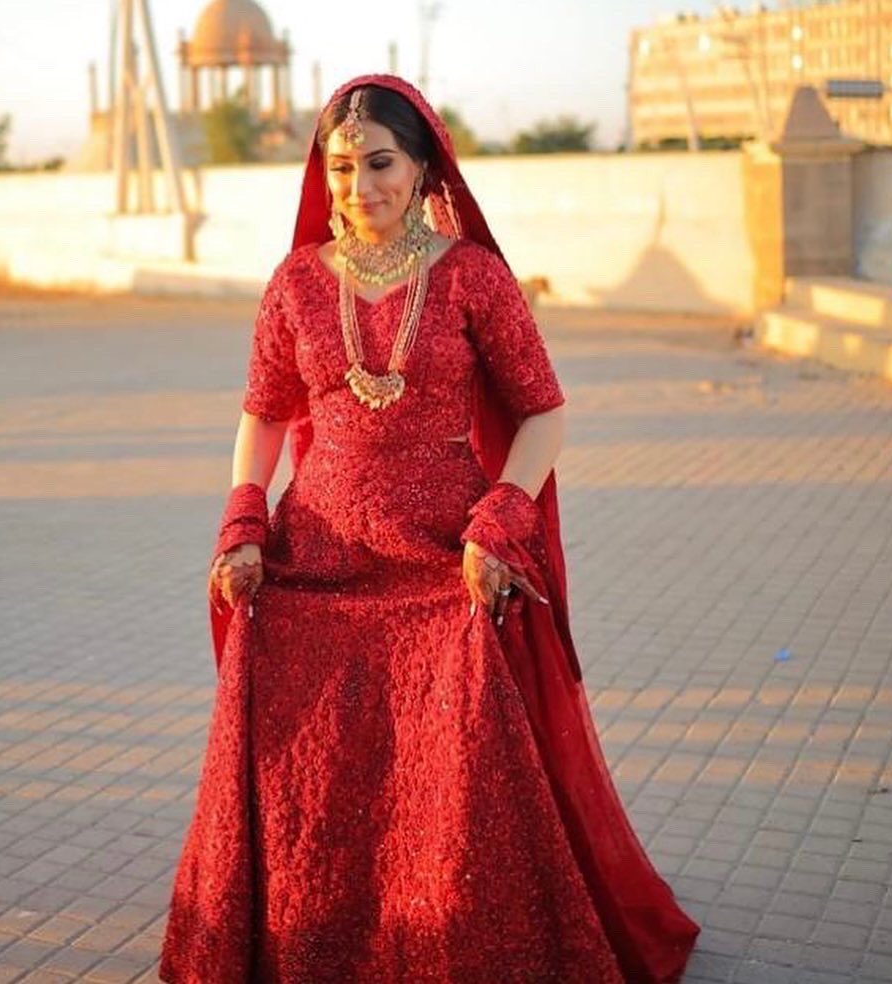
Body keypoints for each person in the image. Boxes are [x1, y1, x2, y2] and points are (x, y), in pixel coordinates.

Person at [159, 74, 699, 984]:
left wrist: (500, 518)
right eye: (339, 168)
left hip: (444, 559)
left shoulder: (473, 276)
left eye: (379, 164)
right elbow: (261, 415)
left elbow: (544, 413)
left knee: (454, 768)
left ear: (420, 169)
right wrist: (243, 522)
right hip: (317, 556)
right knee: (308, 763)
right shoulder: (294, 284)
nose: (358, 187)